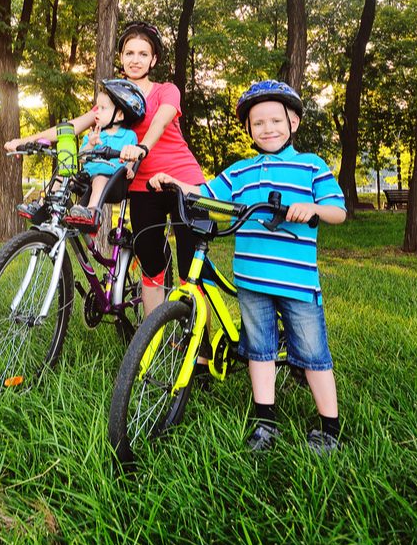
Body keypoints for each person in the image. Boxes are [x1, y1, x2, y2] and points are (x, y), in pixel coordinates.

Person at [148, 80, 347, 454]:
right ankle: (265, 421)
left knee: (314, 354)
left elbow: (338, 210)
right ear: (249, 130)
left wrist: (314, 209)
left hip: (297, 283)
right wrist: (175, 182)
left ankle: (329, 426)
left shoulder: (310, 166)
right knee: (260, 350)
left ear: (294, 123)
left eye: (276, 120)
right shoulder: (241, 171)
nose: (267, 129)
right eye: (258, 123)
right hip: (253, 280)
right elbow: (205, 193)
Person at [7, 20, 213, 316]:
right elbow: (72, 126)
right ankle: (150, 343)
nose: (135, 59)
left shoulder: (166, 91)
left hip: (183, 180)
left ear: (153, 59)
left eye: (143, 54)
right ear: (121, 57)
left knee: (191, 273)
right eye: (129, 53)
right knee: (152, 270)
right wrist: (23, 141)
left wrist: (143, 147)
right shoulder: (113, 99)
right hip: (142, 186)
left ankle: (201, 354)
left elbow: (161, 121)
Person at [62, 79, 144, 232]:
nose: (96, 111)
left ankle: (92, 212)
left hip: (113, 184)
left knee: (99, 179)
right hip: (87, 178)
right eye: (96, 107)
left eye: (102, 108)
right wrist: (91, 144)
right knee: (63, 176)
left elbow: (132, 155)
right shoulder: (94, 134)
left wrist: (129, 168)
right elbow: (81, 158)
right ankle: (43, 206)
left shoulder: (128, 136)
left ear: (119, 115)